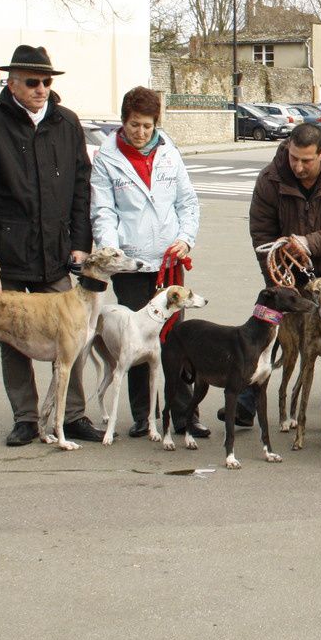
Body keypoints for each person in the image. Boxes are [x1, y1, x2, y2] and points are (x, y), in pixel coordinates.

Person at [0, 44, 103, 446]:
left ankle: (72, 415)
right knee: (13, 338)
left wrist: (80, 242)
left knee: (71, 336)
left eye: (46, 82)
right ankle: (25, 417)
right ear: (12, 83)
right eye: (33, 82)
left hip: (57, 254)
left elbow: (80, 187)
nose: (42, 89)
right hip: (9, 255)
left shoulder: (67, 123)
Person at [236, 122, 321, 425]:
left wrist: (310, 243)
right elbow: (261, 233)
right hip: (288, 278)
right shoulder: (271, 177)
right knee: (262, 335)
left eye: (306, 160)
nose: (297, 166)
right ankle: (246, 402)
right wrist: (276, 283)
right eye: (293, 157)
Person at [89, 86, 202, 437]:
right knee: (134, 341)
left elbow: (187, 202)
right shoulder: (107, 158)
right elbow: (103, 210)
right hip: (133, 264)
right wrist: (111, 251)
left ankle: (184, 413)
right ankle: (144, 415)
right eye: (135, 125)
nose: (141, 133)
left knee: (175, 338)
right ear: (123, 122)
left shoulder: (169, 153)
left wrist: (185, 239)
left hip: (170, 263)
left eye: (148, 126)